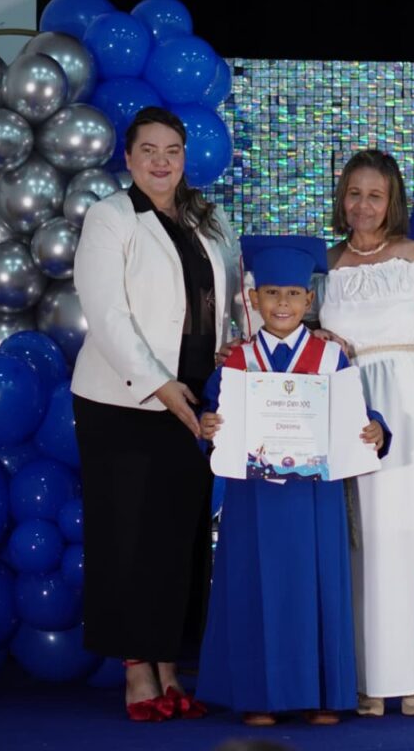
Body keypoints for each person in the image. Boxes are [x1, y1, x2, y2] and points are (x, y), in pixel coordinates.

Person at [71, 106, 247, 722]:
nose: (161, 161)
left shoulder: (209, 217)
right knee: (127, 536)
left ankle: (170, 666)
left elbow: (232, 297)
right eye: (148, 150)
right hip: (124, 401)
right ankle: (136, 673)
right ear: (128, 157)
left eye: (172, 150)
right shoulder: (110, 217)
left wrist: (234, 348)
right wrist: (160, 385)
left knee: (179, 538)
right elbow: (106, 314)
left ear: (184, 156)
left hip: (195, 398)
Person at [196, 235, 390, 726]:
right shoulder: (237, 361)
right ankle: (259, 697)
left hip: (314, 494)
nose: (282, 303)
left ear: (309, 299)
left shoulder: (331, 359)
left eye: (292, 294)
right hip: (254, 495)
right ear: (254, 298)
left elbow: (358, 414)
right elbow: (211, 415)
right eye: (271, 293)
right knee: (255, 588)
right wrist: (207, 425)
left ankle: (322, 694)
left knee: (315, 587)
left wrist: (376, 429)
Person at [316, 149, 414, 717]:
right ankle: (369, 677)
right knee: (363, 540)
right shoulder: (324, 267)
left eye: (375, 196)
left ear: (392, 203)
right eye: (354, 194)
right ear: (342, 199)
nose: (363, 205)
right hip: (351, 407)